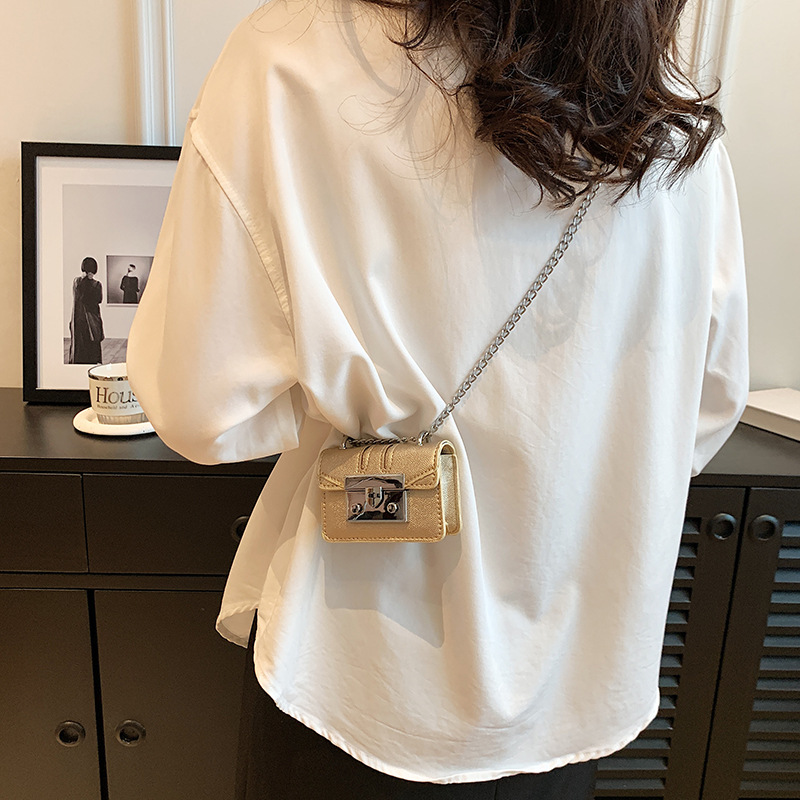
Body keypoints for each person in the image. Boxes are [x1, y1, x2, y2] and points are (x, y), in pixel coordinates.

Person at [126, 0, 749, 796]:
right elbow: (707, 409)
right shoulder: (670, 117)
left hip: (356, 678)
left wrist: (347, 404)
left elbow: (198, 409)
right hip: (572, 693)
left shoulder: (289, 56)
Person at [68, 256, 104, 365]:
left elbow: (80, 296)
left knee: (80, 343)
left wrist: (84, 280)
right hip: (90, 318)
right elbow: (98, 300)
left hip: (79, 318)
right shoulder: (96, 284)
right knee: (92, 342)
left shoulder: (77, 282)